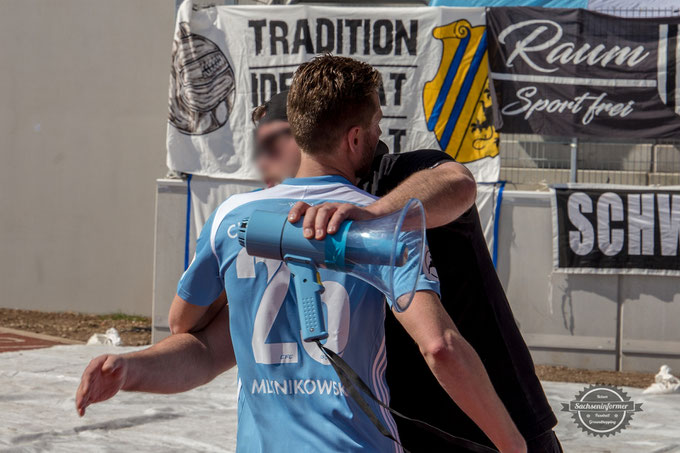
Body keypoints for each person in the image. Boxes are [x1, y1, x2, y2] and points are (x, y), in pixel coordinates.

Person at [76, 55, 526, 453]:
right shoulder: (380, 230)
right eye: (375, 128)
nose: (378, 137)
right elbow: (441, 347)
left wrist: (129, 368)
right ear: (354, 138)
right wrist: (511, 444)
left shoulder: (232, 218)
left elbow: (194, 339)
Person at [211, 90, 563, 452]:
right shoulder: (297, 216)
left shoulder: (401, 175)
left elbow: (458, 182)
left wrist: (376, 213)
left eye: (272, 144)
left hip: (497, 423)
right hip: (399, 429)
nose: (263, 161)